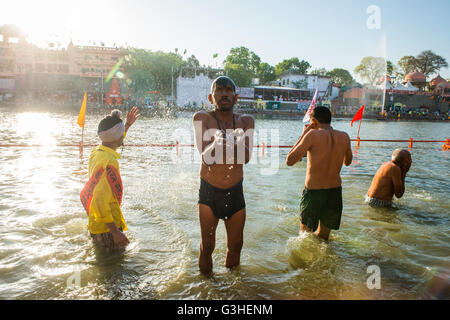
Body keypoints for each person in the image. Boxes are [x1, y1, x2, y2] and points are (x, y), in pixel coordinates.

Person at [192, 76, 254, 275]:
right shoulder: (202, 118)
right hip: (209, 192)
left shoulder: (246, 121)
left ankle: (231, 291)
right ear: (211, 97)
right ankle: (206, 289)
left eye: (229, 90)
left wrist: (236, 142)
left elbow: (245, 158)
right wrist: (216, 143)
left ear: (236, 98)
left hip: (235, 192)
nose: (225, 93)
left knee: (236, 245)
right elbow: (205, 157)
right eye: (220, 90)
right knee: (208, 245)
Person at [286, 106, 353, 241]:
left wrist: (304, 134)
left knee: (305, 236)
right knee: (324, 238)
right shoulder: (344, 136)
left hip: (314, 192)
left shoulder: (312, 135)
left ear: (314, 121)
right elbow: (348, 162)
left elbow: (290, 160)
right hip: (334, 191)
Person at [80, 107, 140, 251]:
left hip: (98, 225)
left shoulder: (98, 151)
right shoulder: (108, 162)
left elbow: (115, 139)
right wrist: (115, 232)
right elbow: (99, 200)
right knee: (113, 269)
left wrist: (126, 126)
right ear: (117, 138)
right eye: (121, 135)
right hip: (107, 229)